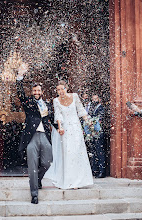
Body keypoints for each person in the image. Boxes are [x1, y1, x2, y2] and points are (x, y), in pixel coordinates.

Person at [15, 65, 57, 204]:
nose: (37, 92)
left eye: (38, 90)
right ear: (32, 92)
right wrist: (19, 77)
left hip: (44, 135)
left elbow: (51, 119)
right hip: (31, 136)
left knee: (47, 162)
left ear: (42, 91)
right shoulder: (28, 102)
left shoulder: (47, 104)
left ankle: (38, 179)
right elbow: (20, 94)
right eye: (34, 90)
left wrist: (61, 128)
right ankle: (34, 193)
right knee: (32, 165)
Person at [45, 80, 93, 189]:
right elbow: (58, 115)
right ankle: (69, 180)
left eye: (62, 88)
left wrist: (88, 122)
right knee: (67, 153)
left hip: (76, 128)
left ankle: (79, 180)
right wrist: (60, 127)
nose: (61, 91)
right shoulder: (56, 101)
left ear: (66, 88)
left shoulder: (74, 96)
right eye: (58, 89)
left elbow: (81, 110)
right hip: (65, 129)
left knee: (77, 152)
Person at [87, 94, 106, 178]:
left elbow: (99, 119)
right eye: (93, 99)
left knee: (100, 152)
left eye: (96, 99)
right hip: (93, 133)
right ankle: (95, 170)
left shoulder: (101, 108)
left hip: (99, 133)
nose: (94, 100)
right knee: (94, 152)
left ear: (99, 99)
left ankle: (102, 171)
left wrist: (93, 121)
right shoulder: (92, 108)